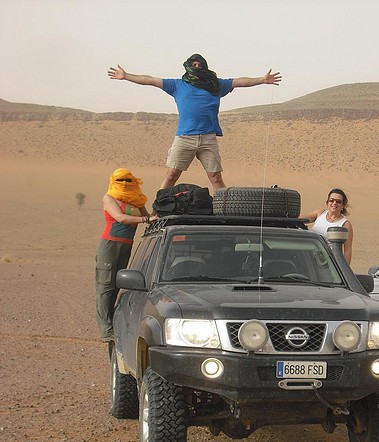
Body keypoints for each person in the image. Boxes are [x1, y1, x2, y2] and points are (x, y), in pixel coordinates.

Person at [108, 54, 281, 191]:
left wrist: (262, 80)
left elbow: (240, 81)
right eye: (194, 64)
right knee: (171, 175)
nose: (197, 67)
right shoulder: (177, 85)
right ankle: (159, 208)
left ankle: (223, 209)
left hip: (208, 138)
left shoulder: (216, 85)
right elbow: (150, 80)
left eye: (200, 65)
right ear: (188, 67)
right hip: (184, 137)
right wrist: (126, 76)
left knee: (216, 178)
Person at [95, 168, 157, 342]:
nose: (125, 184)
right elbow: (120, 218)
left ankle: (114, 323)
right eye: (121, 180)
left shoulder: (136, 200)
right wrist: (146, 220)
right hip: (110, 244)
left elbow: (150, 217)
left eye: (128, 180)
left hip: (126, 245)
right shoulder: (109, 198)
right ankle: (106, 331)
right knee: (105, 286)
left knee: (117, 284)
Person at [301, 188, 354, 264]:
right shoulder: (320, 213)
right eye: (331, 200)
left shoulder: (345, 224)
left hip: (329, 262)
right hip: (310, 257)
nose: (334, 203)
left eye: (338, 201)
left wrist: (345, 271)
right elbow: (300, 219)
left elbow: (347, 250)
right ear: (327, 203)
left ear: (343, 206)